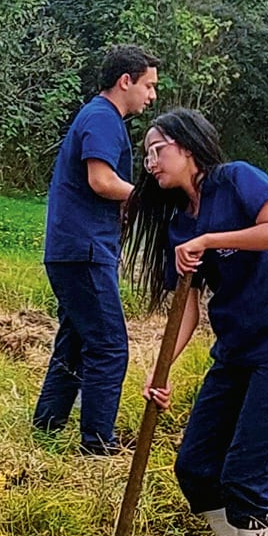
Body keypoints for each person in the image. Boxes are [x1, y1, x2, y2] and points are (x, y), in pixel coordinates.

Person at [130, 109, 268, 536]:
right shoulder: (178, 224)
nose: (150, 161)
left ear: (188, 148)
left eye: (158, 149)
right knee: (195, 467)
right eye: (145, 153)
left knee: (246, 473)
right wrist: (160, 371)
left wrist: (211, 239)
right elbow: (186, 310)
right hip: (234, 353)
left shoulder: (236, 181)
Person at [35, 46, 158, 454]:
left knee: (75, 339)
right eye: (148, 85)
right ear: (126, 81)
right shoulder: (104, 119)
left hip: (72, 248)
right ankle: (98, 444)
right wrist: (148, 200)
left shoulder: (96, 116)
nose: (152, 96)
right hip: (85, 250)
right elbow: (102, 181)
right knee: (108, 344)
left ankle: (47, 426)